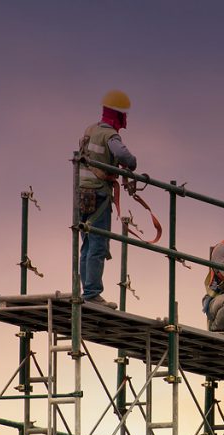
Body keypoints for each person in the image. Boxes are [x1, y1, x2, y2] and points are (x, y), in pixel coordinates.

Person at [77, 89, 137, 308]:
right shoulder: (110, 135)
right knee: (98, 245)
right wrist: (132, 163)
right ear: (119, 115)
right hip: (98, 195)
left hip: (81, 195)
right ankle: (92, 293)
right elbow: (123, 155)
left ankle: (86, 292)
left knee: (87, 244)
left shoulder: (89, 130)